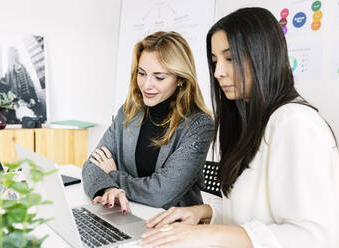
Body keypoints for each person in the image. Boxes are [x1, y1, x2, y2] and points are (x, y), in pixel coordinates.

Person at [140, 7, 339, 248]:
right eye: (215, 61)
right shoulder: (253, 121)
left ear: (264, 55)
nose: (218, 72)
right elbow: (254, 211)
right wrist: (202, 213)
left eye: (230, 58)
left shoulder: (294, 122)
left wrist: (205, 235)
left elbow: (315, 236)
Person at [82, 31, 215, 213]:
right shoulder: (128, 112)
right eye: (142, 73)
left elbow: (160, 194)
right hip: (129, 214)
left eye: (159, 77)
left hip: (174, 226)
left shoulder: (199, 125)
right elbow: (92, 165)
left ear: (181, 80)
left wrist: (113, 176)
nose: (146, 85)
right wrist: (109, 189)